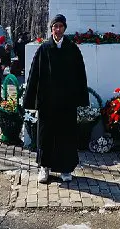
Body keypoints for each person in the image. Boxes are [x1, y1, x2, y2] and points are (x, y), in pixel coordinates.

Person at [23, 14, 88, 184]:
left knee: (66, 135)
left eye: (60, 26)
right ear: (51, 28)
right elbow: (33, 76)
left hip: (66, 102)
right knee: (45, 135)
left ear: (64, 28)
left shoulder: (72, 49)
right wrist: (30, 100)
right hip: (47, 102)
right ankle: (44, 168)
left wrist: (81, 98)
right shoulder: (44, 49)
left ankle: (66, 169)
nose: (58, 29)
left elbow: (80, 75)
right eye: (55, 26)